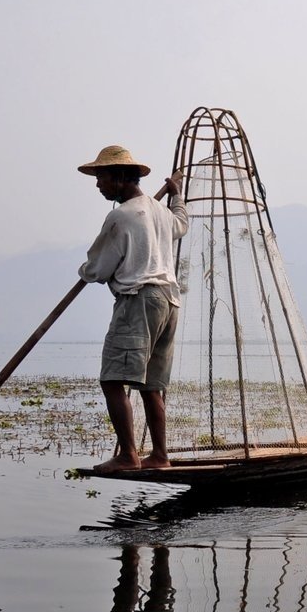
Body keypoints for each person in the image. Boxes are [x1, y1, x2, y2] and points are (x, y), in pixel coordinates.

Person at [77, 145, 188, 473]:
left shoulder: (121, 216)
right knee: (152, 385)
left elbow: (97, 269)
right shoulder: (160, 211)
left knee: (113, 380)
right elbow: (181, 222)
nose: (99, 185)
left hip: (140, 301)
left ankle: (128, 455)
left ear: (123, 179)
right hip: (169, 301)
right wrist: (176, 195)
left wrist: (85, 271)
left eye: (103, 178)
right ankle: (160, 456)